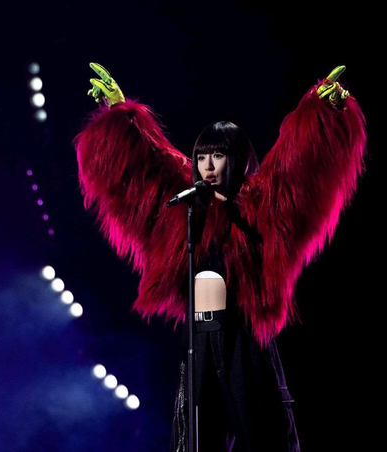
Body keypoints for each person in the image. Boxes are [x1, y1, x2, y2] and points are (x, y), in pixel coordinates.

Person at [73, 62, 366, 451]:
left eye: (218, 157)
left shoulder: (261, 205)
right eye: (202, 157)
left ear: (238, 160)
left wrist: (323, 111)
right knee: (195, 440)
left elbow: (298, 167)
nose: (207, 167)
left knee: (265, 436)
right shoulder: (186, 206)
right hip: (199, 340)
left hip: (244, 338)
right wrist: (121, 112)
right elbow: (151, 163)